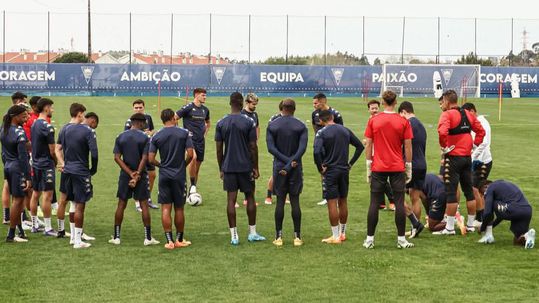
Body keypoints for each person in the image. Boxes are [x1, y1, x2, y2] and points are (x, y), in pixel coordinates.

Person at [364, 90, 414, 249]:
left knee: (374, 202)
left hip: (378, 166)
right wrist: (409, 165)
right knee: (399, 202)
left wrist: (368, 164)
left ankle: (370, 239)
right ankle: (401, 239)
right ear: (396, 102)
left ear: (383, 102)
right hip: (397, 166)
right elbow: (408, 145)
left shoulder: (374, 120)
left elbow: (369, 144)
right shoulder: (403, 121)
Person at [215, 92, 265, 245]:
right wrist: (255, 166)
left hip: (229, 167)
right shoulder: (249, 121)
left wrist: (221, 168)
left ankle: (234, 236)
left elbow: (218, 149)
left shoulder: (221, 122)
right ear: (241, 102)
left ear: (230, 103)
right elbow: (253, 146)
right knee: (250, 197)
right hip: (245, 167)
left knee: (231, 200)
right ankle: (252, 233)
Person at [435, 90, 485, 235]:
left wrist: (444, 147)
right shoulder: (468, 114)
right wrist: (475, 144)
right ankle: (470, 225)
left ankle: (449, 228)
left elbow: (442, 132)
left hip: (453, 158)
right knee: (469, 192)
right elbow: (481, 131)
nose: (442, 105)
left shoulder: (447, 114)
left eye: (442, 101)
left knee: (451, 193)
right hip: (467, 158)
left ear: (446, 101)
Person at [109, 113, 159, 246]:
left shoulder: (120, 136)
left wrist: (130, 173)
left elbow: (117, 158)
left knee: (121, 204)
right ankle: (148, 238)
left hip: (125, 175)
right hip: (141, 175)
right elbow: (145, 158)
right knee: (144, 205)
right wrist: (136, 175)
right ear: (140, 123)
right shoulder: (145, 137)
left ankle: (116, 237)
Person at [314, 110, 364, 244]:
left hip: (330, 171)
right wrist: (350, 163)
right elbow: (360, 146)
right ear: (332, 117)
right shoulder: (345, 130)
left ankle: (335, 236)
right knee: (343, 201)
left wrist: (320, 168)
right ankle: (342, 233)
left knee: (331, 202)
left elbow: (316, 152)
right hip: (343, 170)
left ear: (321, 121)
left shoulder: (321, 132)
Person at [148, 109, 194, 250]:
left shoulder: (156, 136)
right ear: (173, 118)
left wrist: (161, 165)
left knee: (166, 207)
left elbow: (150, 159)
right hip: (179, 175)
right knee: (179, 208)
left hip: (164, 175)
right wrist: (182, 165)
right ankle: (179, 240)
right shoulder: (184, 133)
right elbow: (191, 154)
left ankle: (169, 241)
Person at [266, 98, 308, 247]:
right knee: (295, 201)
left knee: (280, 202)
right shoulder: (301, 125)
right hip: (295, 167)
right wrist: (291, 163)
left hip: (279, 168)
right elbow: (302, 149)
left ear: (281, 108)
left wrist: (285, 164)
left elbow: (271, 148)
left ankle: (278, 237)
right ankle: (297, 237)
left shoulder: (273, 125)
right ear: (294, 109)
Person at [56, 106, 98, 249]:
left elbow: (58, 148)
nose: (84, 117)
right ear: (79, 114)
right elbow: (94, 153)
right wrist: (93, 169)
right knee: (80, 205)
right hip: (80, 171)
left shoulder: (64, 129)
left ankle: (73, 237)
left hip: (67, 171)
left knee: (72, 203)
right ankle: (78, 241)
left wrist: (62, 163)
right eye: (83, 114)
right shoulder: (88, 130)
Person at [398, 101, 427, 238]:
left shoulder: (407, 124)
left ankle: (414, 223)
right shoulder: (421, 125)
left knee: (397, 194)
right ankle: (415, 228)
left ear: (404, 112)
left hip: (410, 164)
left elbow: (403, 145)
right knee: (415, 198)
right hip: (422, 164)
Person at [29, 98, 57, 236]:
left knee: (35, 194)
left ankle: (34, 224)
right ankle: (47, 228)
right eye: (51, 107)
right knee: (47, 195)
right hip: (46, 164)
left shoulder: (34, 124)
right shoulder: (47, 126)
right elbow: (52, 150)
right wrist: (56, 161)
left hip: (35, 163)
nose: (52, 110)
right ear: (46, 108)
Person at [478, 180, 535, 249]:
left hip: (514, 210)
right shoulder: (505, 185)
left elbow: (487, 213)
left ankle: (488, 236)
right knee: (517, 242)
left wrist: (482, 228)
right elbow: (501, 215)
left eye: (483, 192)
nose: (484, 195)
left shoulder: (490, 188)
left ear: (486, 186)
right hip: (527, 211)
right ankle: (526, 236)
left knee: (490, 204)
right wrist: (491, 226)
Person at [461, 102, 492, 228]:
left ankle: (480, 218)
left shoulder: (482, 123)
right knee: (478, 190)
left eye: (467, 113)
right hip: (479, 160)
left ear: (473, 111)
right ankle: (483, 216)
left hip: (482, 161)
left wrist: (472, 158)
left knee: (475, 189)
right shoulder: (475, 122)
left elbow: (483, 143)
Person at [2, 105, 30, 243]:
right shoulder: (19, 132)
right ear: (15, 116)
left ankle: (20, 230)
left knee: (16, 201)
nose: (25, 118)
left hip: (7, 166)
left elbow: (3, 152)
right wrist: (28, 177)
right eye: (23, 115)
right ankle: (11, 235)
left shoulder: (3, 129)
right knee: (18, 201)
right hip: (17, 168)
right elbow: (23, 157)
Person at [124, 99, 159, 211]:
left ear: (144, 107)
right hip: (136, 153)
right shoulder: (130, 121)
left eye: (140, 107)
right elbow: (126, 136)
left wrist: (150, 133)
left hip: (148, 150)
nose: (138, 109)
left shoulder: (148, 118)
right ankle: (137, 202)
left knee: (152, 175)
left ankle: (147, 198)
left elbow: (152, 130)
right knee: (137, 175)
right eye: (136, 108)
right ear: (133, 108)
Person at [176, 88, 210, 199]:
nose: (205, 97)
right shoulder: (188, 108)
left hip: (201, 141)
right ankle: (193, 186)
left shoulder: (205, 110)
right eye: (203, 95)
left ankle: (191, 189)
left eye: (205, 95)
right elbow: (175, 117)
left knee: (197, 167)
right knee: (193, 158)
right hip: (189, 140)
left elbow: (208, 122)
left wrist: (205, 132)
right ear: (196, 95)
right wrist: (179, 132)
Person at [311, 93, 344, 206]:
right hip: (321, 147)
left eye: (316, 103)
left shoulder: (335, 114)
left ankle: (339, 196)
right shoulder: (314, 114)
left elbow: (341, 131)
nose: (314, 105)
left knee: (336, 170)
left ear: (323, 101)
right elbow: (315, 127)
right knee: (323, 170)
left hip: (334, 147)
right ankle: (326, 196)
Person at [366, 99, 395, 211]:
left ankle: (392, 200)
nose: (374, 110)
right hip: (373, 151)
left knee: (379, 178)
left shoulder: (381, 119)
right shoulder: (371, 120)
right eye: (372, 108)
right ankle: (381, 203)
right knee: (376, 179)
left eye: (376, 108)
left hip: (381, 153)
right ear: (368, 110)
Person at [240, 93, 261, 207]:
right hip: (243, 148)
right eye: (253, 104)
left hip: (251, 148)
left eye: (256, 104)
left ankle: (249, 198)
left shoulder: (255, 114)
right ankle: (245, 198)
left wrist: (256, 139)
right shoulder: (241, 114)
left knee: (251, 172)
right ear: (247, 102)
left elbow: (257, 127)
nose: (255, 106)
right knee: (243, 173)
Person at [264, 100, 285, 205]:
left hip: (288, 150)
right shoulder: (274, 119)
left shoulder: (291, 118)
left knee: (287, 172)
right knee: (275, 173)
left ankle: (284, 196)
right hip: (277, 150)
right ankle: (268, 196)